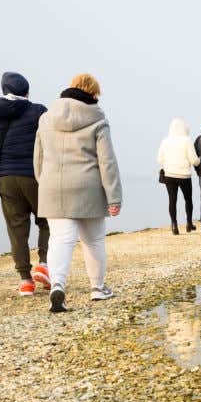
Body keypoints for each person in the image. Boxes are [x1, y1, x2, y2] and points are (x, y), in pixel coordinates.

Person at [34, 73, 122, 313]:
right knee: (93, 241)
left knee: (60, 240)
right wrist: (114, 197)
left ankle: (58, 287)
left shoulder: (45, 118)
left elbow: (38, 158)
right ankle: (97, 288)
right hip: (88, 188)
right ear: (93, 94)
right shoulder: (98, 120)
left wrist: (45, 183)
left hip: (53, 187)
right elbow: (107, 163)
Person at [0, 71, 50, 294]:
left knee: (17, 229)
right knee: (48, 221)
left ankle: (25, 280)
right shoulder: (38, 112)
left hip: (6, 178)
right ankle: (44, 264)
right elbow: (49, 145)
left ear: (4, 91)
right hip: (36, 177)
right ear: (27, 91)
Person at [157, 118, 200, 234]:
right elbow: (194, 160)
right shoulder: (187, 140)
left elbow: (159, 159)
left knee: (172, 200)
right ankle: (189, 224)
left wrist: (168, 164)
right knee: (188, 199)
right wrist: (199, 161)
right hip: (184, 175)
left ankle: (174, 225)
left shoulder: (165, 141)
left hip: (169, 175)